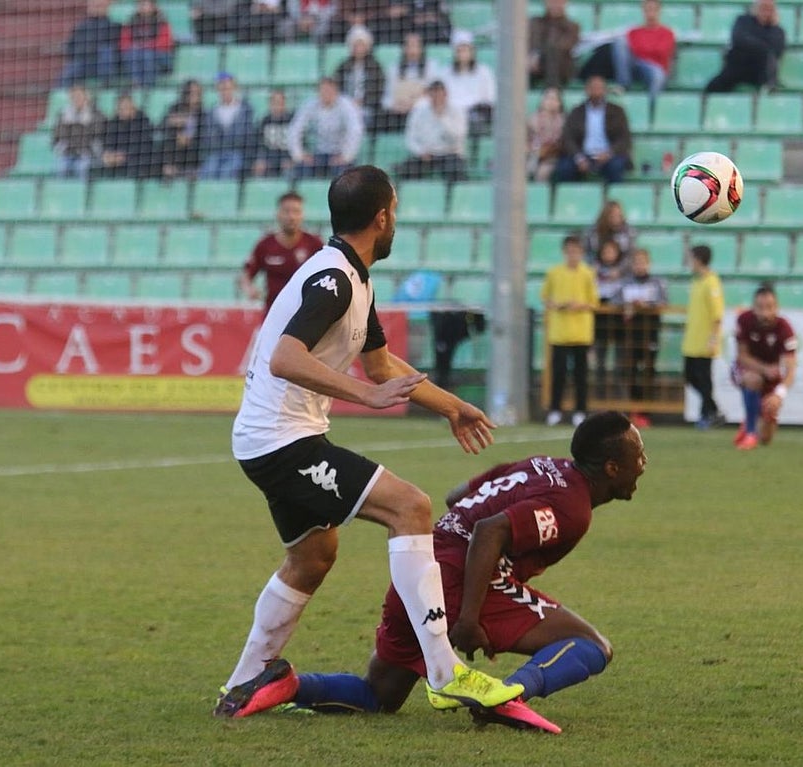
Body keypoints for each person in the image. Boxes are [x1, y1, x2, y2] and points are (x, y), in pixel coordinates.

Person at [214, 165, 523, 718]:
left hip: (273, 440)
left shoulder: (355, 278)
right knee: (412, 507)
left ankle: (242, 684)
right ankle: (445, 670)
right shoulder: (332, 280)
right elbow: (287, 356)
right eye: (396, 211)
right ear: (382, 217)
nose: (396, 220)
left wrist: (452, 406)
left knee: (313, 556)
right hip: (282, 442)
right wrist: (361, 394)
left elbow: (381, 365)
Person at [232, 411, 648, 733]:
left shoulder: (542, 465)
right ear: (611, 468)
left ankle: (284, 685)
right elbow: (491, 529)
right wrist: (467, 620)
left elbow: (457, 497)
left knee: (379, 694)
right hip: (458, 579)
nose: (643, 465)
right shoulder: (571, 508)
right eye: (638, 457)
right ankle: (505, 697)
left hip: (418, 567)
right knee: (591, 644)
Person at [541, 234, 598, 428]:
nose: (573, 255)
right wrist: (557, 304)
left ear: (581, 252)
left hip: (581, 333)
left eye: (576, 251)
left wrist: (579, 305)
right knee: (559, 374)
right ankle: (555, 409)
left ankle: (580, 410)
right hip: (559, 332)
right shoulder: (554, 273)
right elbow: (545, 297)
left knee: (581, 375)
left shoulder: (588, 273)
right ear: (564, 252)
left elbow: (594, 302)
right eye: (570, 251)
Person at [732, 284, 797, 450]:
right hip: (744, 370)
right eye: (760, 307)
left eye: (769, 307)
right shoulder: (744, 320)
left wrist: (779, 395)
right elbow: (742, 357)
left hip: (771, 378)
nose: (765, 313)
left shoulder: (785, 329)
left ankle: (751, 420)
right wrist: (764, 369)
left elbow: (791, 370)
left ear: (777, 307)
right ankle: (750, 433)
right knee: (753, 379)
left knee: (766, 439)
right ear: (754, 307)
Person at [239, 191, 325, 312]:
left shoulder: (314, 243)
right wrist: (249, 289)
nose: (291, 217)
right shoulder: (265, 245)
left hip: (306, 314)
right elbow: (246, 274)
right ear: (278, 214)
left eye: (296, 211)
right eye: (286, 211)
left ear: (302, 215)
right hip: (273, 313)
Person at [617, 248, 666, 429]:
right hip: (630, 334)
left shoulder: (656, 283)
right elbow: (615, 302)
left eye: (642, 262)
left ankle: (645, 412)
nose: (639, 265)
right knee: (630, 372)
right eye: (636, 262)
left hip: (649, 332)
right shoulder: (626, 283)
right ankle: (633, 410)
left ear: (648, 263)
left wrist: (647, 305)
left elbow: (663, 303)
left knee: (647, 373)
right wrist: (627, 306)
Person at [553, 75, 633, 184]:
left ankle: (612, 199)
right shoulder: (576, 111)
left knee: (616, 166)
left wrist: (608, 154)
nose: (596, 92)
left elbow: (624, 138)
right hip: (583, 154)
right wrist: (579, 157)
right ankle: (571, 199)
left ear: (605, 91)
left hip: (608, 155)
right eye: (593, 88)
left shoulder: (617, 111)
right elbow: (568, 137)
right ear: (586, 90)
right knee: (564, 168)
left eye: (599, 88)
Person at [682, 245, 726, 429]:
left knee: (704, 379)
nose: (690, 263)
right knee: (691, 377)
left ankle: (706, 414)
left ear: (699, 259)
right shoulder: (697, 281)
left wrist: (713, 338)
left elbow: (717, 314)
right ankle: (714, 410)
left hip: (705, 340)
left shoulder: (711, 282)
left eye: (691, 259)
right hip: (692, 339)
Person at [287, 76, 365, 180]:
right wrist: (300, 155)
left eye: (329, 90)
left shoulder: (346, 105)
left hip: (340, 154)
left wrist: (346, 156)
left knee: (344, 177)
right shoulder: (310, 105)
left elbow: (355, 130)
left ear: (336, 91)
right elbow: (295, 129)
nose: (326, 94)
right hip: (318, 154)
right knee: (300, 171)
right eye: (322, 90)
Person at [704, 0, 786, 94]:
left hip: (760, 69)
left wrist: (754, 45)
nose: (766, 13)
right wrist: (762, 45)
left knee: (767, 60)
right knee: (715, 86)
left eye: (769, 10)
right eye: (763, 9)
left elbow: (776, 49)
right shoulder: (743, 21)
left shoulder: (778, 31)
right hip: (738, 65)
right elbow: (738, 39)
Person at [395, 79, 467, 182]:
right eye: (433, 94)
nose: (436, 97)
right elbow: (410, 137)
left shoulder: (457, 111)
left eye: (439, 93)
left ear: (446, 94)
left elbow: (458, 138)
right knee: (405, 170)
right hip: (426, 155)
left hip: (449, 154)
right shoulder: (419, 112)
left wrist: (442, 118)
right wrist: (420, 151)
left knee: (457, 172)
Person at [611, 0, 676, 102]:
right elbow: (634, 52)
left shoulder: (667, 32)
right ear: (643, 11)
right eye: (647, 10)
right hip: (636, 65)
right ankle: (623, 84)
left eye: (654, 9)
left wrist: (641, 50)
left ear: (659, 11)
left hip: (656, 67)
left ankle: (650, 109)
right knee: (620, 42)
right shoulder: (634, 32)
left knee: (658, 76)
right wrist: (648, 50)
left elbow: (662, 52)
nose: (650, 13)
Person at [379, 32, 440, 133]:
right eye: (408, 46)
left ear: (421, 48)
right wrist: (395, 105)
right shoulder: (393, 69)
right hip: (397, 113)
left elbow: (434, 94)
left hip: (422, 111)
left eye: (415, 46)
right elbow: (386, 98)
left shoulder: (432, 67)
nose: (412, 50)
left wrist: (413, 104)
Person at [199, 73, 255, 179]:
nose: (225, 92)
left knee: (227, 172)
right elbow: (209, 137)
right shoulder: (212, 111)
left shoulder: (245, 109)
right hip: (216, 153)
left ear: (235, 88)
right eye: (222, 88)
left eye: (228, 88)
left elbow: (246, 135)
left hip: (237, 153)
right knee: (208, 172)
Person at [441, 30, 496, 137]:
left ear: (472, 51)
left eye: (465, 50)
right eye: (459, 50)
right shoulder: (445, 73)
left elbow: (490, 99)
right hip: (451, 115)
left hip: (476, 115)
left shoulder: (484, 72)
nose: (462, 54)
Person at [333, 24, 387, 131]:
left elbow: (379, 91)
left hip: (367, 108)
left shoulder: (375, 67)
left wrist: (363, 102)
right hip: (344, 106)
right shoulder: (343, 66)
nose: (358, 48)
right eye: (355, 45)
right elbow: (336, 87)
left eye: (361, 45)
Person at [95, 92, 157, 179]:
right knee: (98, 164)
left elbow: (143, 145)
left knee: (136, 166)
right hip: (117, 158)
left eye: (126, 107)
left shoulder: (143, 121)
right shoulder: (113, 123)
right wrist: (108, 154)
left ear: (133, 108)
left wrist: (123, 156)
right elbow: (108, 141)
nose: (123, 110)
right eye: (120, 108)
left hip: (138, 157)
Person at [58, 0, 120, 86]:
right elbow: (70, 46)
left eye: (100, 5)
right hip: (82, 61)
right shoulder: (82, 26)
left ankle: (107, 88)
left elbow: (114, 46)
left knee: (106, 52)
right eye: (94, 4)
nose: (96, 7)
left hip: (100, 62)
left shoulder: (113, 25)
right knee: (68, 74)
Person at [592, 240, 625, 398]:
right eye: (606, 251)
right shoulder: (593, 271)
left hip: (619, 322)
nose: (608, 255)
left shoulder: (624, 273)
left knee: (620, 362)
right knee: (600, 362)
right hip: (600, 321)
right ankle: (600, 397)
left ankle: (620, 398)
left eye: (612, 251)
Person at [51, 83, 103, 180]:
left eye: (80, 95)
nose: (77, 99)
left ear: (87, 97)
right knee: (61, 168)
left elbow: (97, 133)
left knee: (82, 168)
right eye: (74, 96)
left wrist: (80, 124)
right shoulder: (63, 114)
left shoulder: (96, 113)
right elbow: (58, 136)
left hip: (88, 152)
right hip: (68, 152)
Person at [119, 0, 173, 88]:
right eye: (141, 4)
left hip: (161, 58)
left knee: (147, 54)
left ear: (153, 6)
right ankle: (135, 84)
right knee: (133, 52)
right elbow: (124, 44)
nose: (144, 7)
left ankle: (148, 87)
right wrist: (138, 47)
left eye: (147, 4)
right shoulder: (130, 22)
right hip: (137, 56)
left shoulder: (162, 22)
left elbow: (165, 43)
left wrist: (145, 46)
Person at [528, 0, 581, 89]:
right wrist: (532, 54)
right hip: (534, 65)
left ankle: (552, 91)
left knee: (552, 51)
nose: (555, 5)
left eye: (558, 2)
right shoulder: (535, 23)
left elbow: (563, 46)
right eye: (552, 2)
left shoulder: (572, 26)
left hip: (561, 67)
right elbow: (531, 42)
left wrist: (537, 54)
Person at [159, 79, 203, 179]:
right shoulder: (175, 109)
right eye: (191, 92)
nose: (194, 95)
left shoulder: (202, 113)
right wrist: (172, 123)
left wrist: (189, 139)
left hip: (192, 152)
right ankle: (169, 168)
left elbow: (203, 134)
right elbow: (160, 128)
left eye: (197, 92)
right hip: (174, 149)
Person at [251, 90, 296, 178]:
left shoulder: (292, 120)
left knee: (290, 171)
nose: (277, 105)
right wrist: (260, 160)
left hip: (287, 157)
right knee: (259, 169)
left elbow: (300, 142)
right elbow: (260, 144)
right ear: (270, 104)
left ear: (284, 103)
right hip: (269, 158)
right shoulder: (264, 121)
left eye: (280, 102)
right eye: (274, 102)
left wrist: (293, 159)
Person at [369, 0, 451, 46]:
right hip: (406, 26)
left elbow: (441, 14)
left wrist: (422, 17)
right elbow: (393, 11)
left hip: (429, 29)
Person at [527, 87, 566, 182]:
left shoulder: (565, 121)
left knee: (542, 173)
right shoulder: (532, 120)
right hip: (533, 154)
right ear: (542, 101)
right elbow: (525, 140)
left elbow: (563, 143)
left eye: (554, 99)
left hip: (554, 157)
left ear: (559, 103)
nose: (551, 102)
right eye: (548, 98)